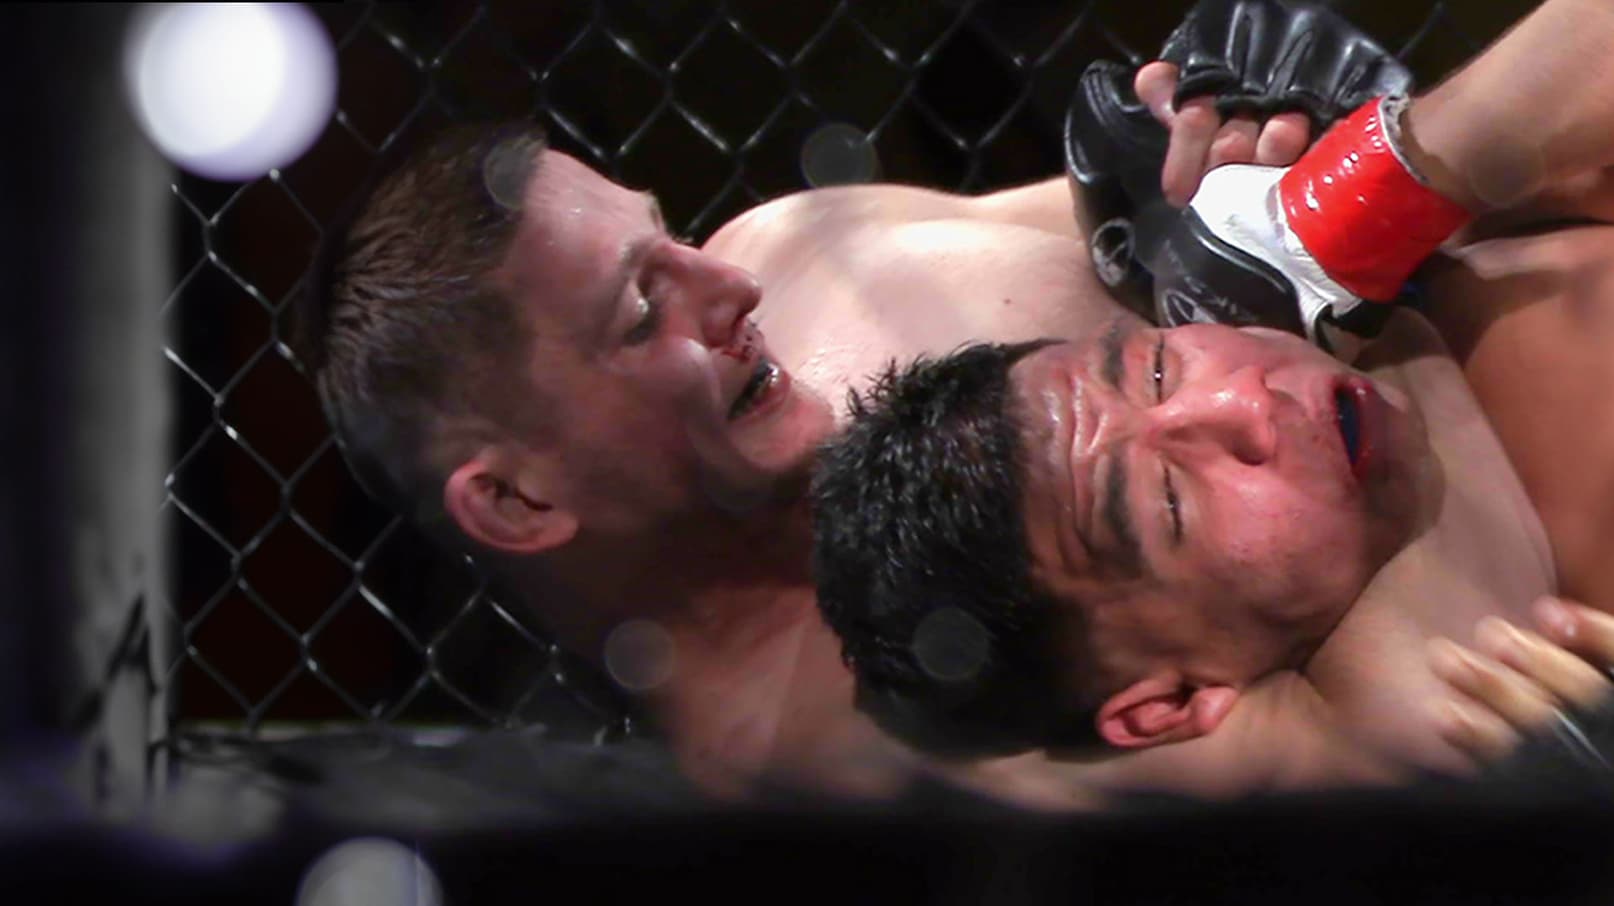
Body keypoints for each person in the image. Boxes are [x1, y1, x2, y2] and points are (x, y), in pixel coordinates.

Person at [809, 0, 1614, 799]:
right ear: (1167, 704)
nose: (1245, 406)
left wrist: (1375, 174)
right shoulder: (1469, 734)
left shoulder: (1378, 309)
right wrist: (1374, 187)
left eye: (1156, 371)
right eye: (1171, 500)